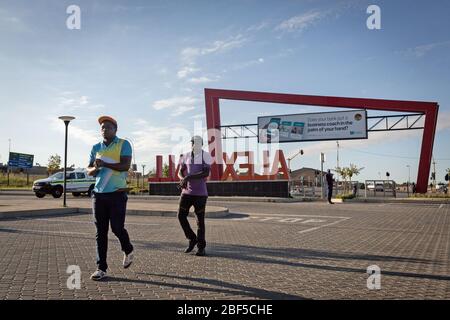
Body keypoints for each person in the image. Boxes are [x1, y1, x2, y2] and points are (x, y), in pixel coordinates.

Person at [87, 116, 134, 281]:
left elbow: (125, 166)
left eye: (108, 126)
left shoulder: (123, 144)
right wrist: (96, 167)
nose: (104, 129)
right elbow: (89, 170)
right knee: (100, 232)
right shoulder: (95, 147)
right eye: (102, 127)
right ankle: (101, 268)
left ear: (115, 129)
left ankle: (128, 249)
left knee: (117, 228)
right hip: (99, 194)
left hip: (117, 193)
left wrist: (106, 164)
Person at [177, 135, 212, 256]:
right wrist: (182, 179)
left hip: (200, 194)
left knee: (199, 221)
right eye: (193, 143)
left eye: (198, 143)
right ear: (191, 143)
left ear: (201, 145)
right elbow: (180, 171)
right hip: (186, 193)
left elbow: (206, 172)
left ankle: (201, 247)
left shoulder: (206, 156)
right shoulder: (184, 156)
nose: (195, 145)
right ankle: (192, 239)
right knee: (181, 216)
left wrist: (188, 177)